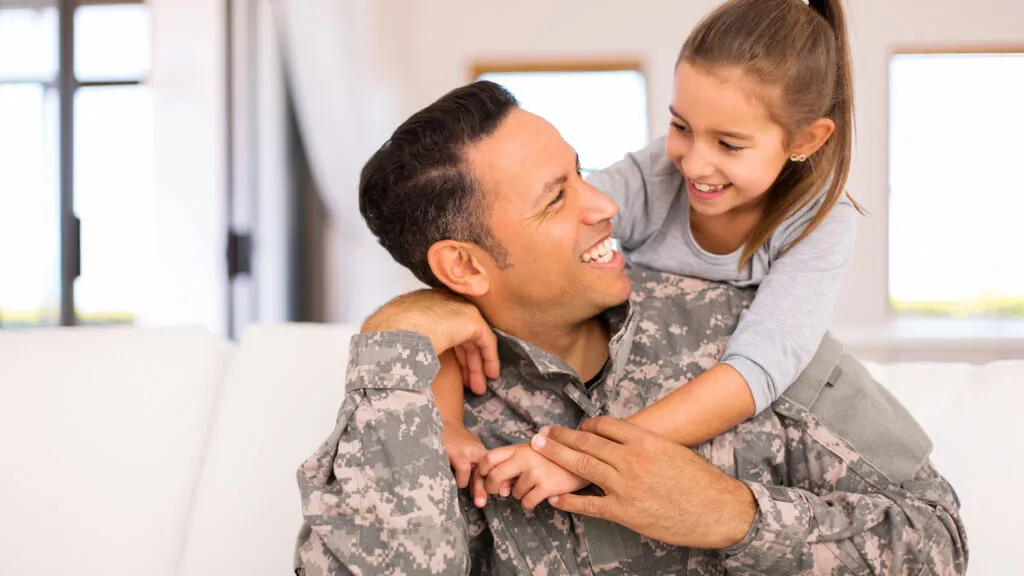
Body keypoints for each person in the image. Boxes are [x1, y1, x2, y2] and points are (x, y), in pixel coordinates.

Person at [293, 80, 967, 575]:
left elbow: (938, 543)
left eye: (580, 172)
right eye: (558, 197)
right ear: (463, 267)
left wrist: (734, 516)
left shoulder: (745, 330)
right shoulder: (418, 408)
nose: (606, 205)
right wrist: (393, 345)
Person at [434, 0, 865, 504]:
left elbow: (755, 373)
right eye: (681, 127)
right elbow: (533, 248)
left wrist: (577, 462)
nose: (694, 163)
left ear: (807, 139)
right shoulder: (657, 172)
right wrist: (445, 422)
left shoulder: (820, 224)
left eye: (729, 144)